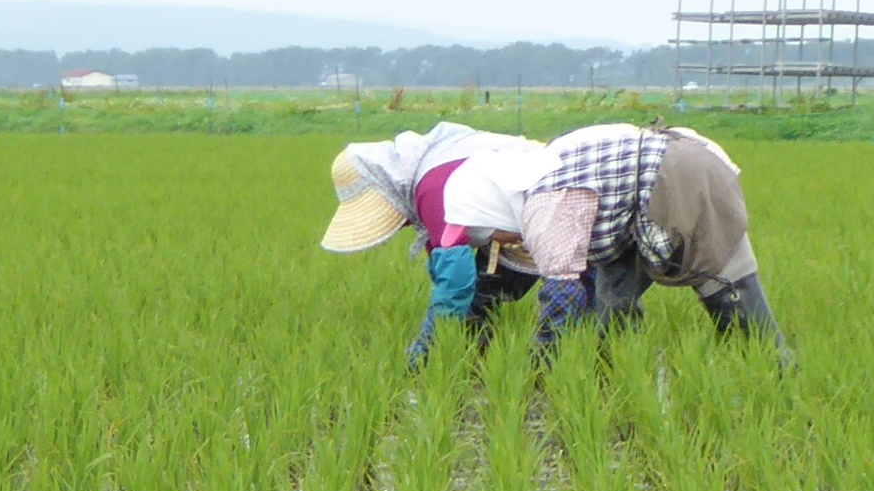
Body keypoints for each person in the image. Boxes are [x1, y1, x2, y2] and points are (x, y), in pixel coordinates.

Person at [322, 120, 780, 362]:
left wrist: (540, 359)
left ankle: (774, 380)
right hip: (639, 189)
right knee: (610, 305)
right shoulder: (495, 172)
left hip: (676, 181)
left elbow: (549, 287)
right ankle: (612, 370)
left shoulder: (543, 207)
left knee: (729, 292)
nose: (500, 242)